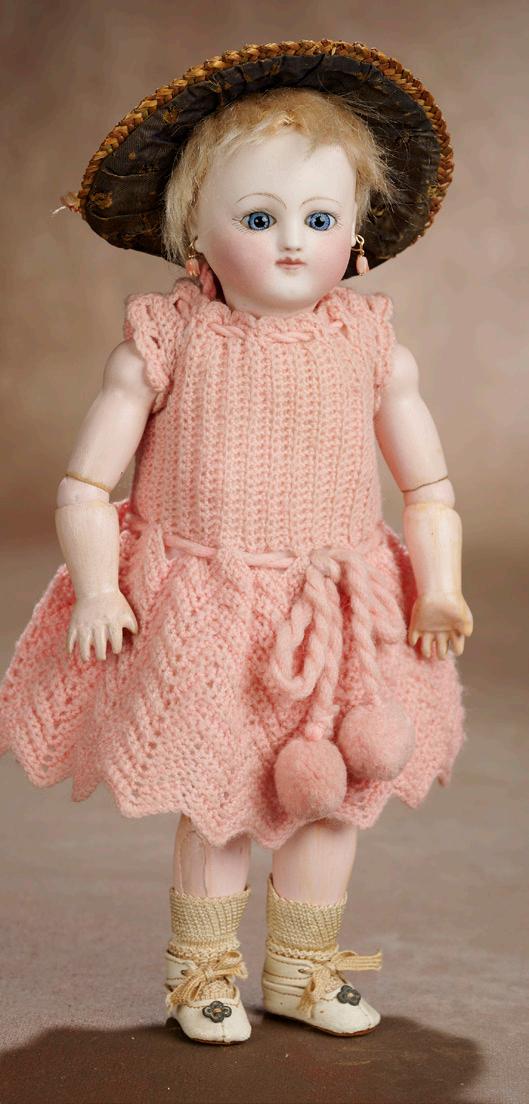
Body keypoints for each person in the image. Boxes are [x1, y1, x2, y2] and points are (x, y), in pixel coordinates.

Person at [0, 39, 473, 1044]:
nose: (292, 242)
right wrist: (98, 585)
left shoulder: (371, 347)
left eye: (319, 219)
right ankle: (203, 975)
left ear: (356, 236)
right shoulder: (167, 342)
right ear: (196, 237)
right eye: (259, 219)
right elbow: (85, 484)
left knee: (334, 799)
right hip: (206, 610)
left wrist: (437, 584)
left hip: (339, 615)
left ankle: (303, 969)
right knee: (216, 797)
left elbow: (427, 487)